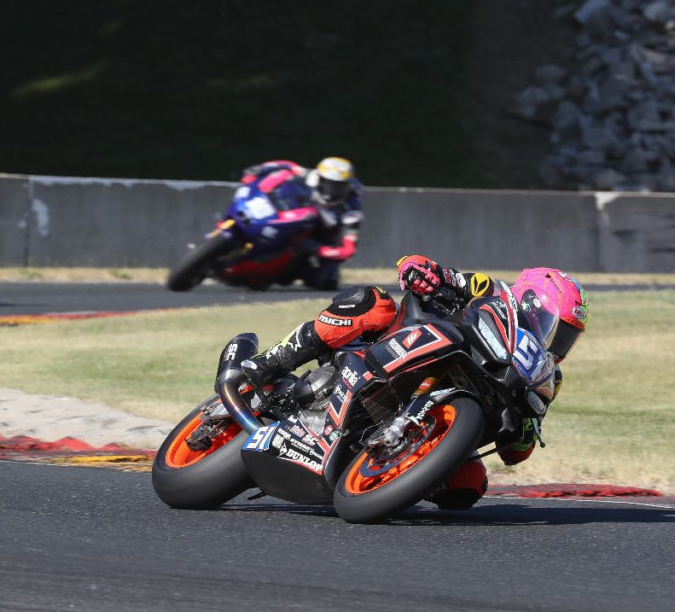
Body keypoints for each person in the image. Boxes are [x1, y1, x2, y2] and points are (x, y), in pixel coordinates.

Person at [240, 254, 590, 510]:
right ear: (531, 302)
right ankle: (271, 362)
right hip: (397, 346)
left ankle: (389, 472)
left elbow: (515, 454)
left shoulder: (546, 378)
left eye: (567, 337)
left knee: (467, 488)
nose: (558, 343)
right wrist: (423, 272)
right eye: (556, 328)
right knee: (372, 303)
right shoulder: (492, 292)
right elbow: (423, 266)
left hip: (446, 408)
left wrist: (526, 428)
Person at [240, 156, 363, 290]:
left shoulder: (352, 209)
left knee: (327, 282)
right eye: (328, 183)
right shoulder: (306, 176)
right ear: (319, 178)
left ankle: (286, 271)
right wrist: (256, 171)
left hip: (317, 238)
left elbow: (348, 249)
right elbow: (286, 164)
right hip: (288, 217)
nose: (332, 190)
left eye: (339, 186)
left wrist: (317, 249)